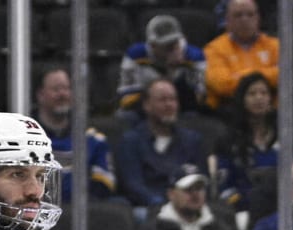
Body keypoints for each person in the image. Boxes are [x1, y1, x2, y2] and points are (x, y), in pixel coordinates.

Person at [115, 78, 209, 212]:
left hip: (188, 206)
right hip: (148, 208)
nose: (169, 105)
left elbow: (202, 180)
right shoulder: (131, 141)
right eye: (163, 100)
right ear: (147, 105)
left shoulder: (192, 140)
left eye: (173, 99)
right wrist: (164, 205)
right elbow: (133, 185)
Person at [32, 66, 116, 201]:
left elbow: (105, 183)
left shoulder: (93, 139)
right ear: (40, 95)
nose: (63, 94)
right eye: (56, 89)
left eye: (66, 88)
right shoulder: (25, 138)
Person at [213, 72, 279, 217]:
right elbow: (225, 186)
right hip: (242, 211)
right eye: (252, 93)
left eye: (264, 93)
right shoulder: (228, 140)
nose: (259, 98)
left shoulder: (284, 135)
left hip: (281, 208)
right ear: (242, 99)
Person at [117, 14, 209, 115]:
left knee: (194, 117)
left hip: (181, 107)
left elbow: (199, 98)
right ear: (153, 45)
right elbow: (126, 97)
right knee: (125, 115)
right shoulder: (135, 55)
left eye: (174, 43)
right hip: (144, 108)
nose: (171, 48)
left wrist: (175, 70)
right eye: (166, 45)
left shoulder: (194, 57)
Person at [203, 0, 280, 111]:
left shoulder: (275, 46)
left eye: (250, 14)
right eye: (238, 15)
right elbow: (221, 85)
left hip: (270, 110)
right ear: (227, 20)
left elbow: (283, 77)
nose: (245, 20)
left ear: (258, 18)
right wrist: (264, 74)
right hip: (228, 111)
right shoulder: (214, 49)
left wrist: (238, 75)